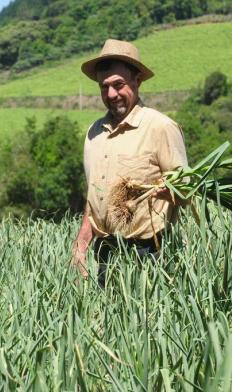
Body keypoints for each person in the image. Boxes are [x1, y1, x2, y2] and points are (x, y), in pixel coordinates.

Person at [71, 39, 188, 287]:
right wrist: (81, 244)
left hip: (149, 253)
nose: (111, 94)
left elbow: (186, 191)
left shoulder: (160, 127)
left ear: (137, 81)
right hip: (106, 253)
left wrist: (169, 192)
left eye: (118, 84)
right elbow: (95, 197)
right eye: (104, 87)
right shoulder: (94, 133)